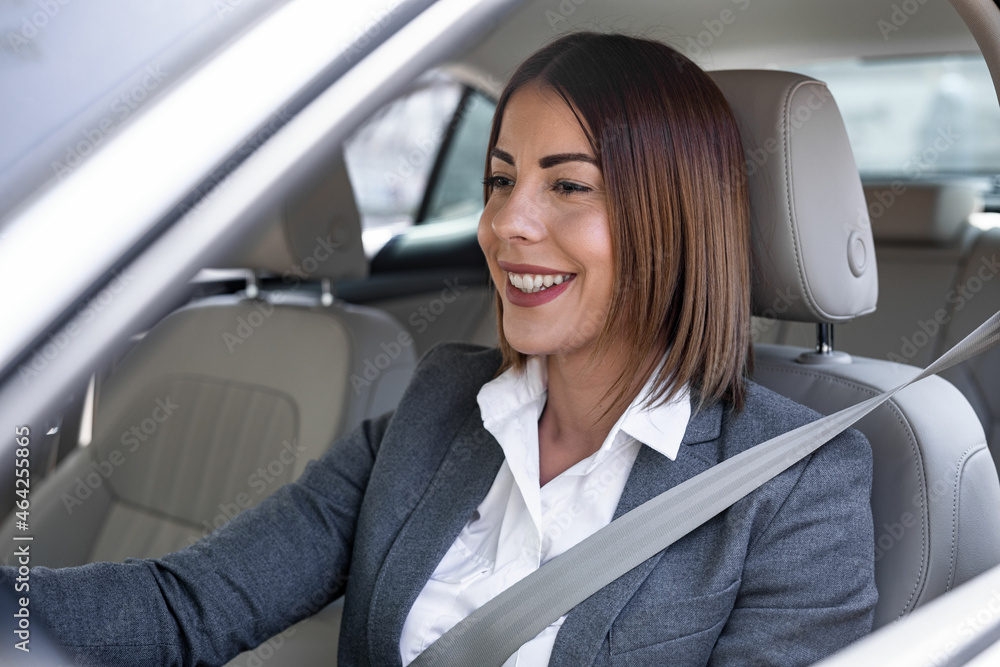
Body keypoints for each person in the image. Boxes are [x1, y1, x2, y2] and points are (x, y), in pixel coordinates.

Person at [2, 31, 877, 666]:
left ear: (673, 221)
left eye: (569, 185)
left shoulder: (797, 485)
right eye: (500, 179)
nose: (505, 222)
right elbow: (193, 604)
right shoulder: (438, 405)